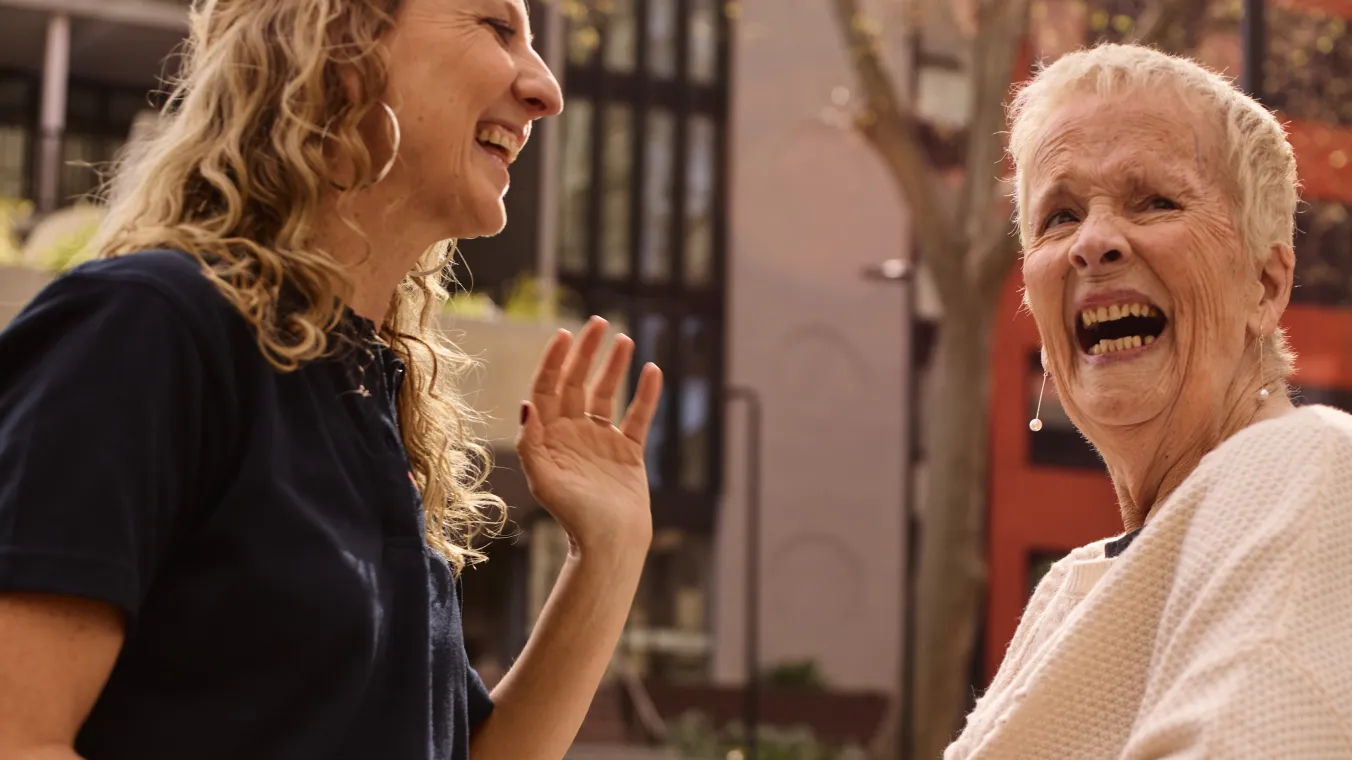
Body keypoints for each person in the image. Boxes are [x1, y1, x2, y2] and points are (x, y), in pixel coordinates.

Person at [0, 2, 662, 759]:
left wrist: (608, 554)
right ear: (343, 47)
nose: (546, 89)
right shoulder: (150, 327)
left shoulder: (369, 400)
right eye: (496, 26)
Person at [946, 44, 1352, 759]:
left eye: (1155, 201)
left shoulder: (1310, 469)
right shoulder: (1068, 592)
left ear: (1264, 286)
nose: (1093, 243)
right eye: (1060, 216)